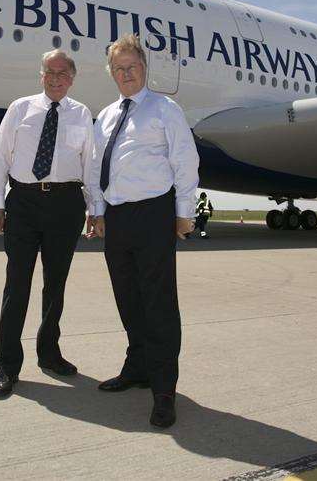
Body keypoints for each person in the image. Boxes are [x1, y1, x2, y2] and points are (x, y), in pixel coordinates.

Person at [86, 34, 199, 428]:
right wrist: (97, 211)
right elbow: (95, 168)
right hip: (117, 217)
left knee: (159, 302)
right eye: (118, 69)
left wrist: (184, 212)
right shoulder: (107, 115)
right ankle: (138, 368)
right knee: (127, 297)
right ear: (111, 73)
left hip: (154, 213)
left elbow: (185, 160)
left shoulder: (165, 109)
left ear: (144, 68)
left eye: (132, 66)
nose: (126, 74)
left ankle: (164, 388)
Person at [0, 49, 94, 399]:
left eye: (63, 73)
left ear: (72, 78)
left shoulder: (81, 114)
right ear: (41, 75)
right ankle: (6, 366)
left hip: (66, 205)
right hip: (24, 202)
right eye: (50, 71)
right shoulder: (20, 108)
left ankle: (49, 354)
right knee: (16, 285)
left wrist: (96, 208)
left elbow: (90, 166)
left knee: (55, 285)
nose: (56, 78)